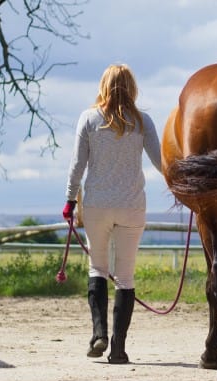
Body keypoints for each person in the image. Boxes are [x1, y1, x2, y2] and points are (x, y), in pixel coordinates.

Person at [63, 64, 161, 364]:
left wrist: (69, 199)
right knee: (125, 277)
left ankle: (99, 333)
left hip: (97, 206)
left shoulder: (89, 118)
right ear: (132, 88)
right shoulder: (143, 121)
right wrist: (188, 188)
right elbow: (162, 163)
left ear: (103, 85)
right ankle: (118, 348)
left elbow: (78, 164)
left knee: (98, 268)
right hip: (132, 206)